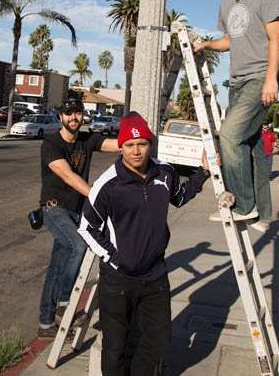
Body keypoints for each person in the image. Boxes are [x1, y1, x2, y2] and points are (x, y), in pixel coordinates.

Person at [78, 112, 211, 376]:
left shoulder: (165, 172)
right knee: (116, 348)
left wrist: (203, 173)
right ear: (121, 146)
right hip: (119, 279)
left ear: (150, 143)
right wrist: (114, 258)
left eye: (142, 144)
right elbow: (87, 227)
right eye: (130, 145)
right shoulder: (108, 184)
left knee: (157, 341)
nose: (136, 151)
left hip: (155, 276)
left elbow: (180, 197)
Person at [193, 0, 279, 233]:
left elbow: (277, 39)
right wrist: (206, 44)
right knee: (253, 148)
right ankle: (263, 216)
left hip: (259, 79)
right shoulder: (226, 5)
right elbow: (230, 41)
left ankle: (243, 207)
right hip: (236, 82)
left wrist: (271, 79)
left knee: (230, 136)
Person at [38, 98, 118, 338]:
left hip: (75, 211)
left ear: (83, 116)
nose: (74, 117)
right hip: (54, 209)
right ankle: (65, 303)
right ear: (61, 117)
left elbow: (115, 144)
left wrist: (137, 135)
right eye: (69, 113)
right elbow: (68, 176)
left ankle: (45, 324)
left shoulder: (87, 140)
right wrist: (95, 195)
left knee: (56, 268)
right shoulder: (51, 142)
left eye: (77, 113)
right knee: (79, 245)